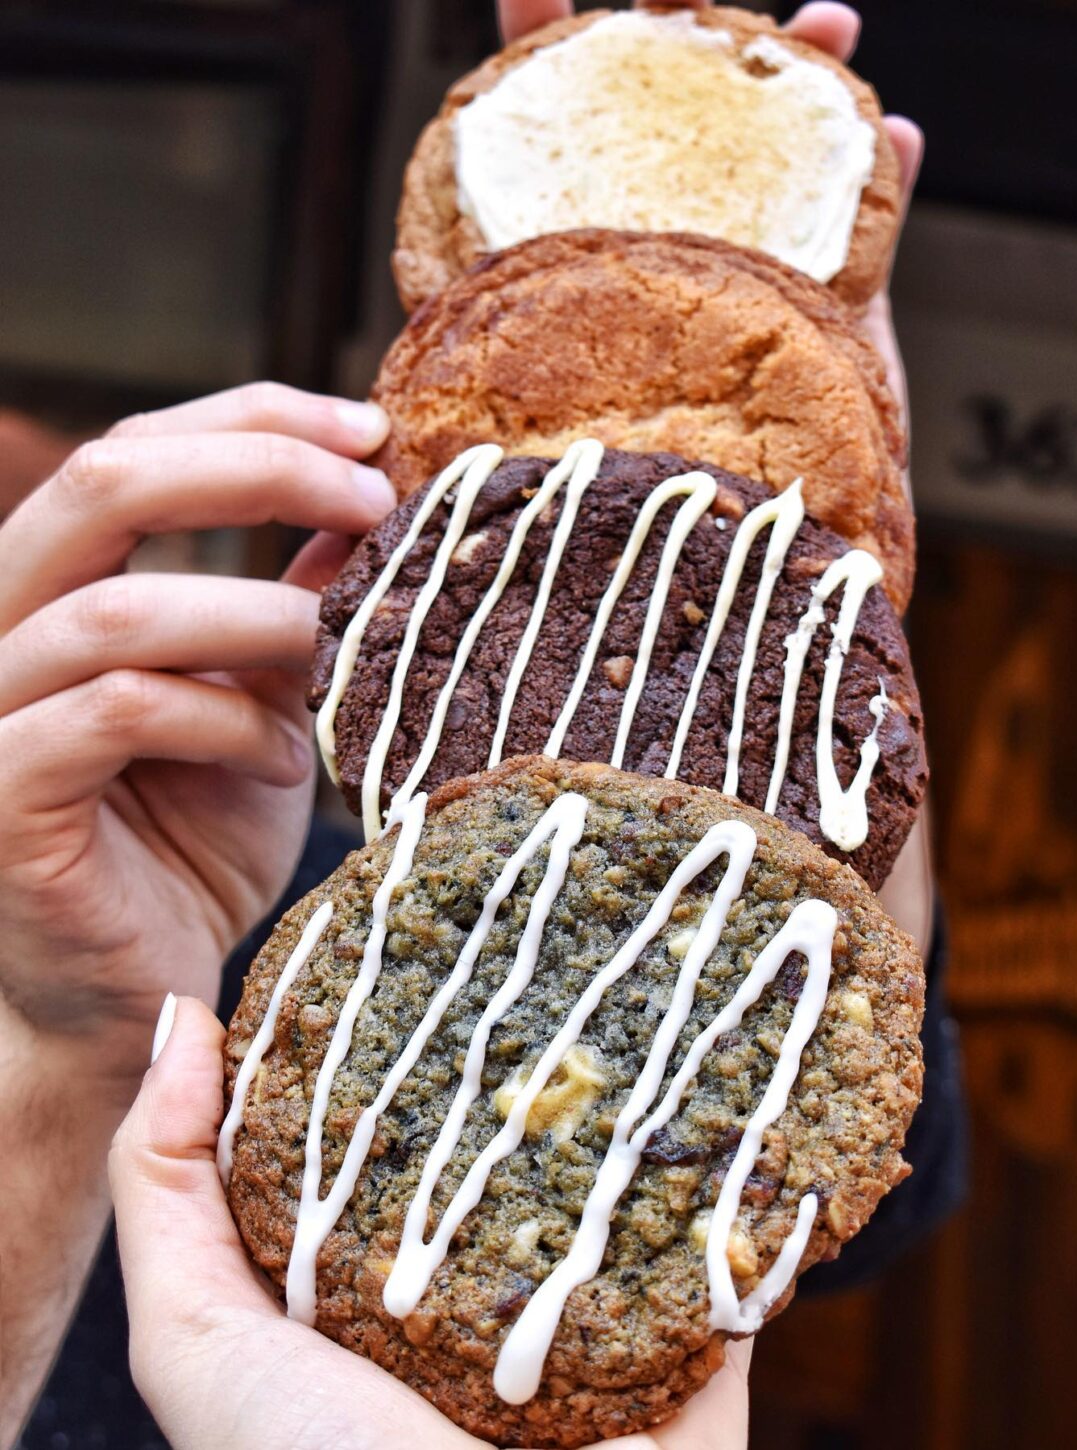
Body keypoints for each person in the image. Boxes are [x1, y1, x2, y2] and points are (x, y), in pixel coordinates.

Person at [3, 5, 957, 1448]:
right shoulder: (342, 1011)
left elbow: (867, 1148)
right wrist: (67, 1044)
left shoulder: (385, 913)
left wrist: (833, 632)